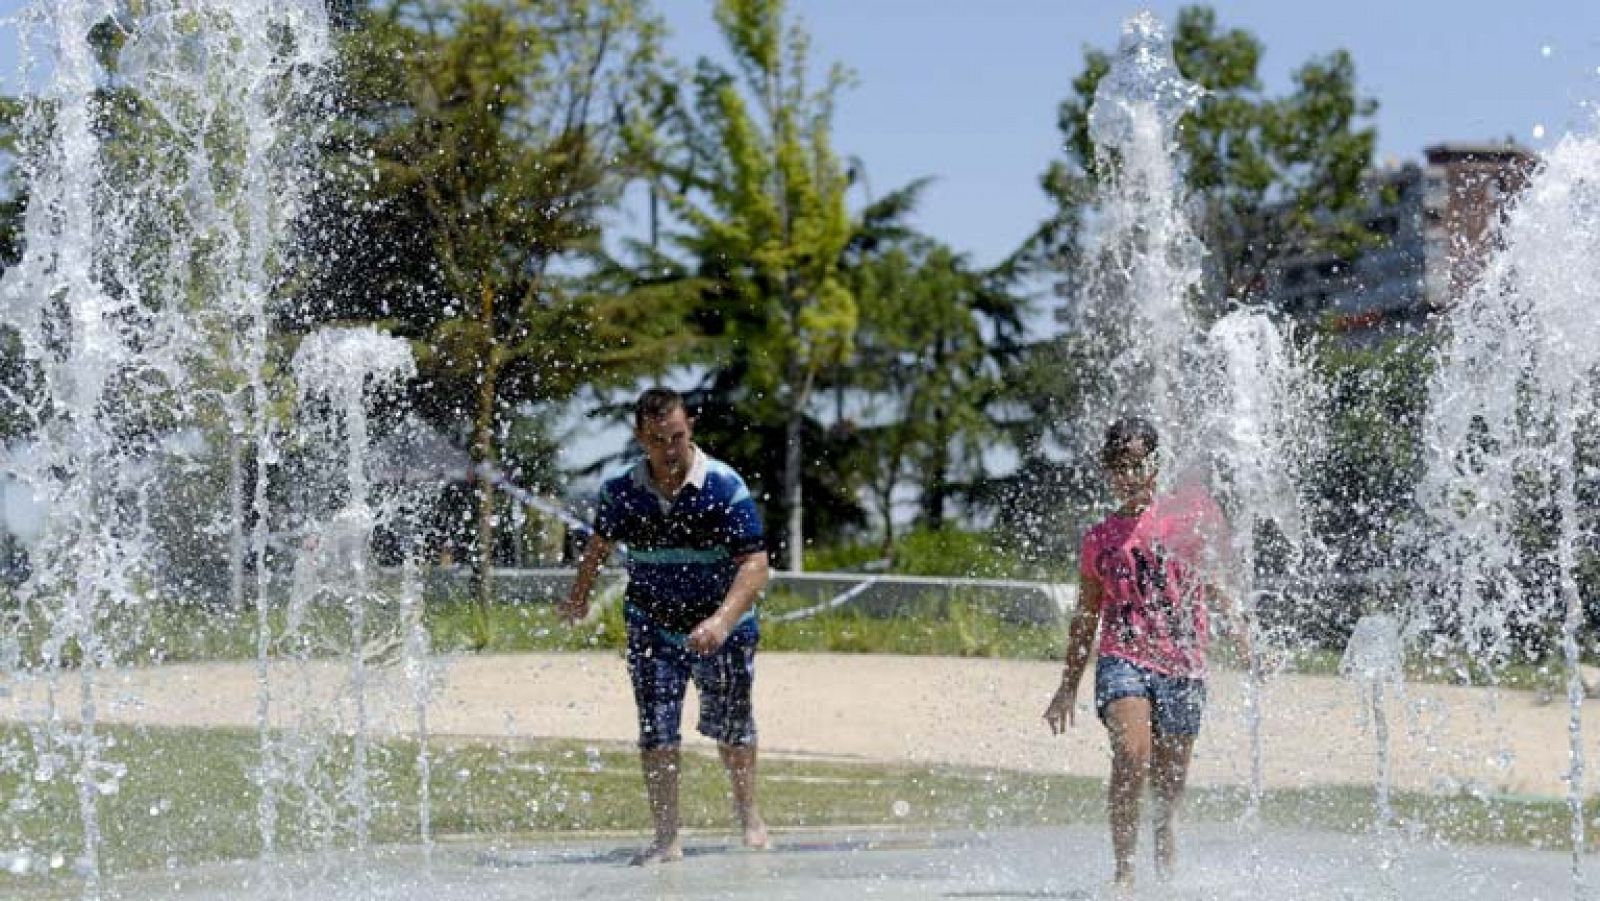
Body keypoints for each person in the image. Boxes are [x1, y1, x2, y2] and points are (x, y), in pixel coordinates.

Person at [560, 387, 772, 865]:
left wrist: (720, 622)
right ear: (641, 437)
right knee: (657, 732)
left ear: (689, 427)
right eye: (659, 440)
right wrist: (578, 597)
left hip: (725, 630)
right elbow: (598, 546)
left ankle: (748, 814)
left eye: (677, 437)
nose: (670, 450)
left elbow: (756, 566)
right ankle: (666, 836)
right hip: (652, 626)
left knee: (732, 730)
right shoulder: (620, 492)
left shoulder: (723, 485)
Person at [1042, 416, 1245, 890]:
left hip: (1183, 665)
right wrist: (1067, 687)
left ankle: (1166, 853)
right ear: (1107, 470)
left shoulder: (1183, 523)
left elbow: (1215, 587)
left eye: (1138, 465)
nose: (1128, 476)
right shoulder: (1099, 539)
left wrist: (1244, 639)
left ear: (1156, 465)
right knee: (1131, 756)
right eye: (1118, 467)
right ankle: (1124, 874)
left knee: (1169, 784)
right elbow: (1086, 616)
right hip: (1123, 659)